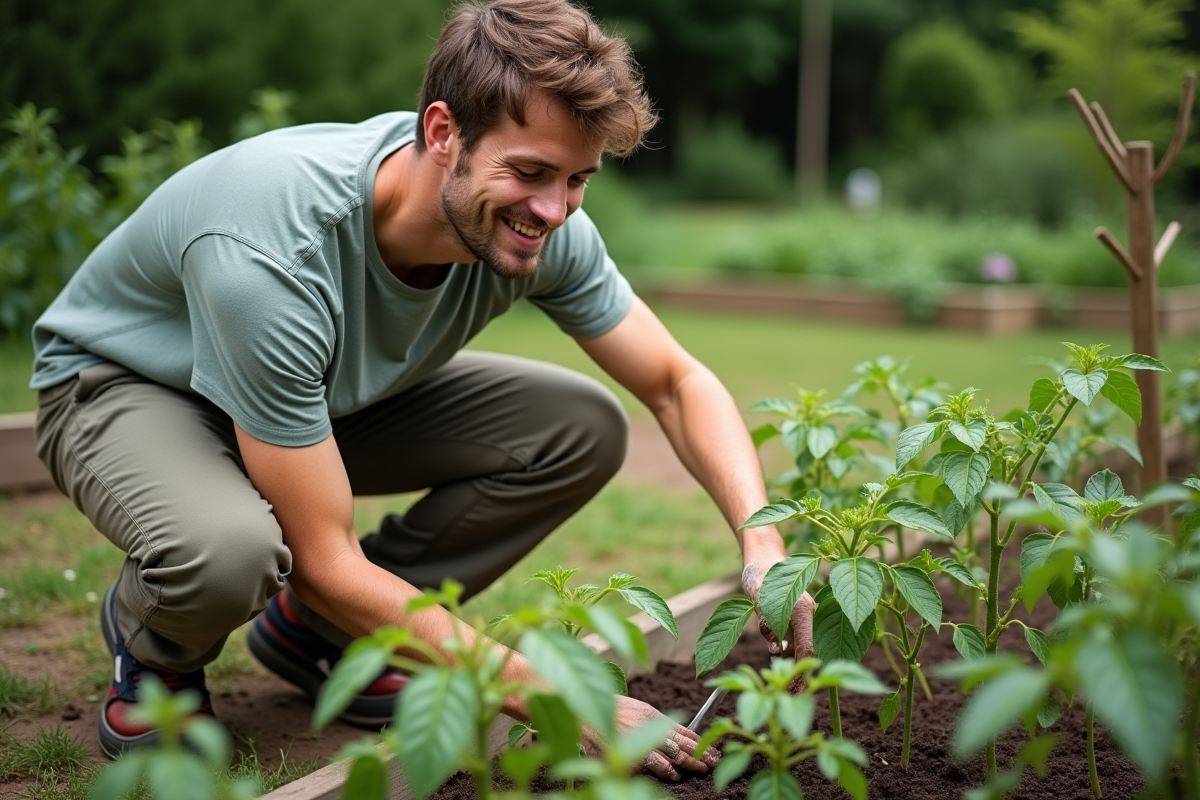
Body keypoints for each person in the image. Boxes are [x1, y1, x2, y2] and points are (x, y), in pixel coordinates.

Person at [30, 0, 814, 780]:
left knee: (579, 426)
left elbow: (677, 383)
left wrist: (762, 541)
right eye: (531, 172)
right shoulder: (274, 250)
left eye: (578, 178)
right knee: (229, 550)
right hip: (127, 387)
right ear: (443, 133)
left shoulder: (541, 229)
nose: (553, 209)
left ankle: (316, 634)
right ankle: (158, 645)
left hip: (312, 394)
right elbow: (322, 553)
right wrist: (551, 693)